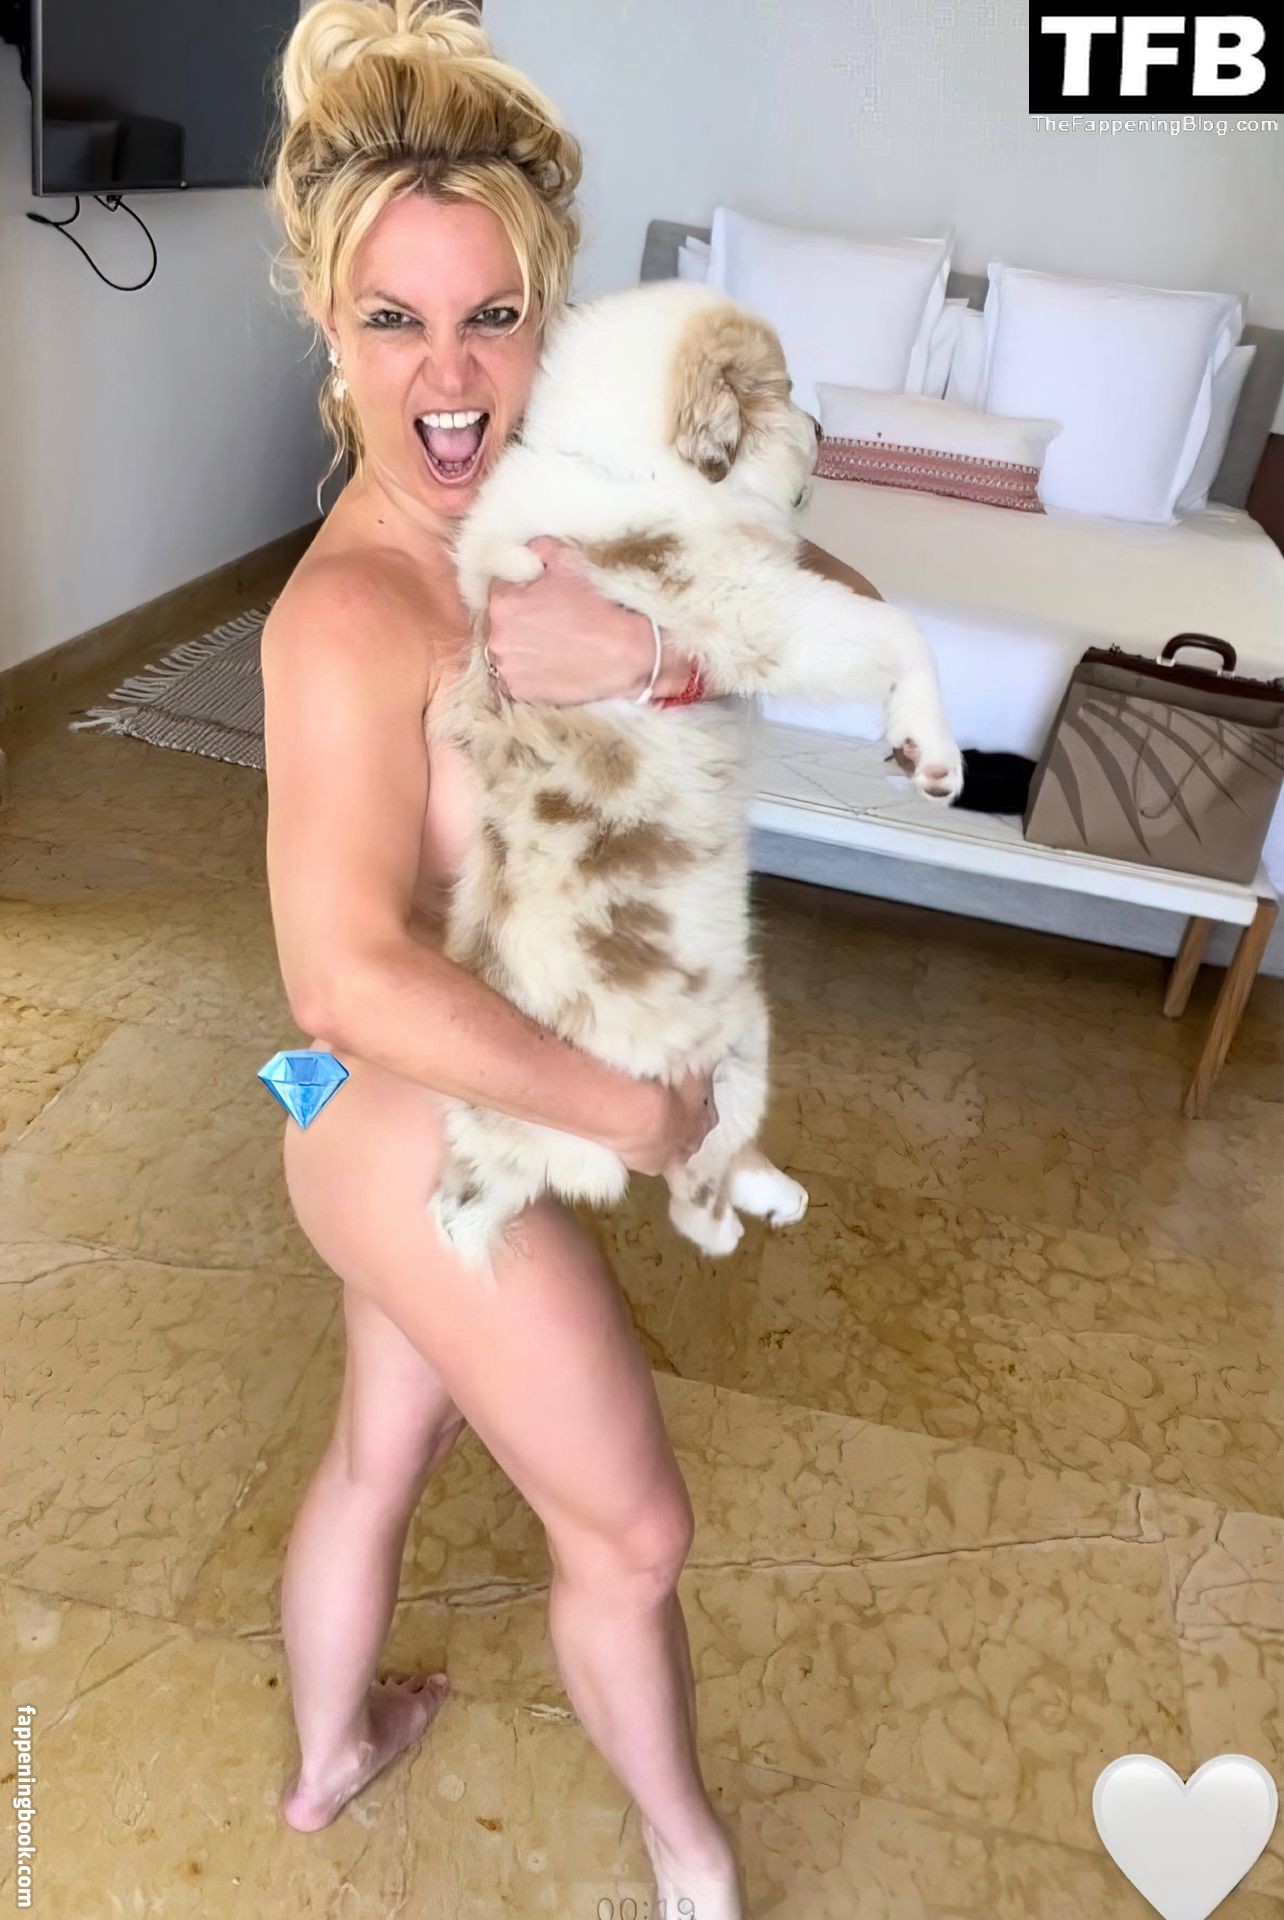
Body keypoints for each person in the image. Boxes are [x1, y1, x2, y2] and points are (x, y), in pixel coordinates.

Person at [261, 3, 878, 1909]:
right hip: (401, 1123)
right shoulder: (352, 618)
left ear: (553, 323)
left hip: (437, 1110)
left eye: (493, 318)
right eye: (394, 320)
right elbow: (342, 980)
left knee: (380, 1452)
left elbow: (840, 607)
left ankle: (329, 1759)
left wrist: (655, 651)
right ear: (330, 331)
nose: (450, 377)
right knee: (632, 1535)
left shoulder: (564, 504)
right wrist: (639, 1112)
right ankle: (696, 1868)